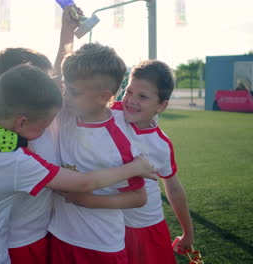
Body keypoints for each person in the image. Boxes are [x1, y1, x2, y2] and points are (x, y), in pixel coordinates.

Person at [0, 64, 156, 264]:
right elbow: (86, 182)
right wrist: (134, 168)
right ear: (22, 122)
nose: (45, 131)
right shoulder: (15, 162)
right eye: (44, 125)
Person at [61, 60, 195, 264]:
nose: (131, 100)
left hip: (146, 225)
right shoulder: (109, 112)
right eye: (129, 91)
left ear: (161, 106)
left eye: (143, 97)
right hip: (109, 225)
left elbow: (173, 188)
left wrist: (187, 232)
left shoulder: (161, 144)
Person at [45, 42, 148, 264]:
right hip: (59, 235)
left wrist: (89, 201)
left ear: (103, 97)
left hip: (101, 246)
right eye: (64, 87)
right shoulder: (67, 112)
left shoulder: (118, 143)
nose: (64, 95)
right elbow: (34, 86)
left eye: (72, 91)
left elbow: (139, 197)